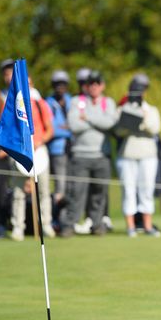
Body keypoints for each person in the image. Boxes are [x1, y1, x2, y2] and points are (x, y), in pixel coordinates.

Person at [60, 71, 118, 237]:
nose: (93, 86)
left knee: (99, 194)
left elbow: (110, 124)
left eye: (97, 83)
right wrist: (96, 120)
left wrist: (87, 118)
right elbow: (73, 124)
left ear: (102, 85)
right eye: (90, 83)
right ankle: (70, 224)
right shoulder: (78, 101)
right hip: (80, 155)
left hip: (102, 156)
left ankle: (97, 224)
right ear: (86, 86)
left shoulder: (108, 102)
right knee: (76, 192)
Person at [114, 74, 161, 237]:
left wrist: (141, 118)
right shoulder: (122, 108)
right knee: (128, 190)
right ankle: (130, 227)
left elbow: (154, 128)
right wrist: (133, 119)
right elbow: (119, 131)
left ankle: (147, 226)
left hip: (148, 155)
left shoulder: (151, 109)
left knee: (146, 190)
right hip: (127, 155)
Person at [10, 83, 55, 241]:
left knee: (43, 190)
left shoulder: (39, 102)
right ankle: (18, 227)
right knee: (18, 192)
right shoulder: (13, 103)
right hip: (20, 152)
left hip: (39, 152)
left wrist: (39, 141)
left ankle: (46, 224)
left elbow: (50, 129)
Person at [45, 70, 73, 203]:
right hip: (57, 150)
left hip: (73, 148)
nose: (60, 87)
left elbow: (77, 124)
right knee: (60, 185)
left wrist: (69, 127)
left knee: (72, 185)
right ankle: (59, 217)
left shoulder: (71, 101)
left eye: (62, 84)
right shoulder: (48, 103)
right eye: (57, 84)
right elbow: (52, 129)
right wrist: (69, 128)